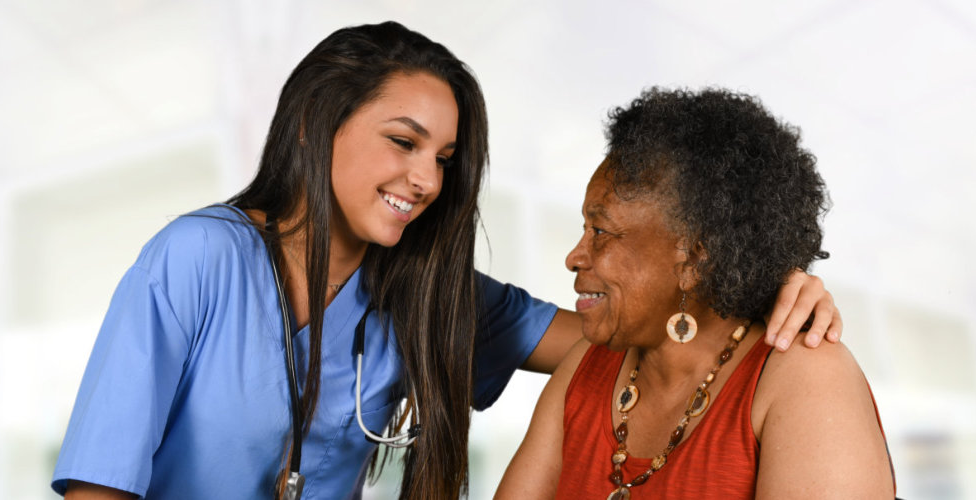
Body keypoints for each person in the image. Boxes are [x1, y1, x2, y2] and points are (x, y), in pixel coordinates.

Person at [53, 24, 846, 500]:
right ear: (312, 127)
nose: (427, 180)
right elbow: (99, 484)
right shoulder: (196, 260)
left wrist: (765, 283)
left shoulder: (429, 293)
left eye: (446, 156)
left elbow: (648, 337)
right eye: (403, 142)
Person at [493, 87, 895, 500]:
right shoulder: (585, 365)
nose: (574, 257)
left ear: (694, 260)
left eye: (600, 231)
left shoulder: (808, 376)